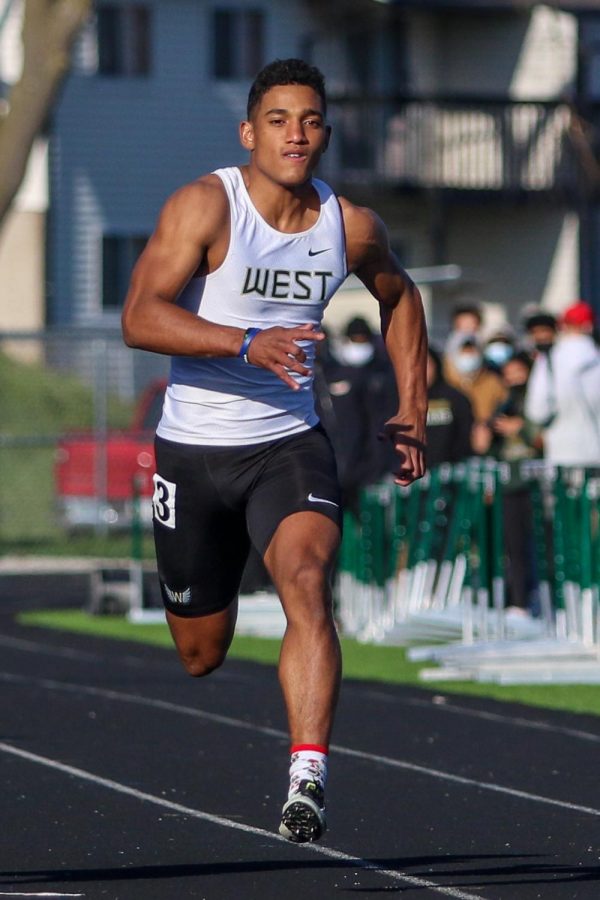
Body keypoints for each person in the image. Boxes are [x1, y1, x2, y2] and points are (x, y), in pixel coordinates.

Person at [121, 58, 427, 844]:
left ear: (326, 132)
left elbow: (400, 296)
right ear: (250, 132)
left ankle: (308, 775)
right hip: (191, 452)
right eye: (282, 120)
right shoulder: (206, 205)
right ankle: (211, 608)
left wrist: (413, 408)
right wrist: (245, 342)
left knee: (307, 578)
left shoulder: (348, 225)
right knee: (201, 651)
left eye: (313, 120)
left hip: (288, 443)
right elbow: (140, 317)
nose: (298, 134)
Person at [473, 352, 542, 613]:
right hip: (508, 484)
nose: (514, 378)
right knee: (513, 546)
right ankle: (519, 600)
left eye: (519, 372)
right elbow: (489, 448)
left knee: (541, 545)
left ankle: (540, 598)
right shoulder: (503, 403)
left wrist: (520, 428)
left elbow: (543, 440)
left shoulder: (536, 403)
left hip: (535, 483)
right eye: (509, 373)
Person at [314, 316, 397, 511]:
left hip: (360, 473)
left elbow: (370, 424)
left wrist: (373, 468)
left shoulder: (348, 375)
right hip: (321, 475)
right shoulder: (293, 383)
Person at [525, 301, 600, 466]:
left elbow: (537, 411)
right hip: (596, 453)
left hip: (561, 453)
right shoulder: (596, 358)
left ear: (563, 326)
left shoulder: (550, 359)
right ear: (589, 326)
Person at [425, 346, 473, 467]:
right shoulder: (398, 399)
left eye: (427, 365)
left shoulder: (455, 398)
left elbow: (465, 435)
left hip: (450, 470)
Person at [444, 333, 507, 424]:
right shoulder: (445, 382)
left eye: (472, 352)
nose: (469, 356)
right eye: (464, 352)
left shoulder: (493, 382)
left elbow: (502, 410)